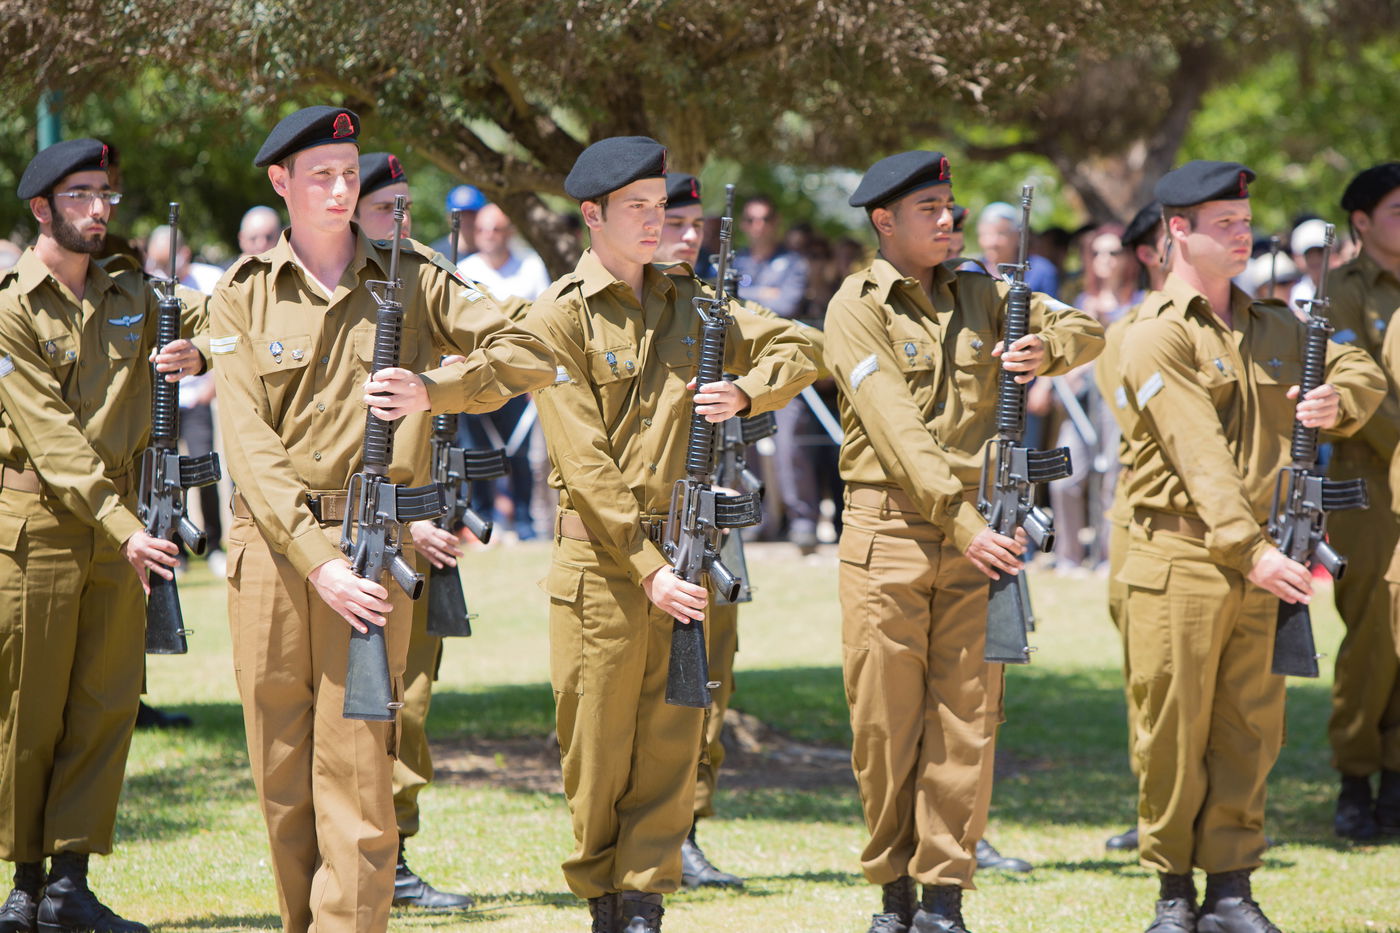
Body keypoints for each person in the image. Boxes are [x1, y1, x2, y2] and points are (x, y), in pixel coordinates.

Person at [210, 106, 554, 933]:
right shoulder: (240, 297)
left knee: (361, 772)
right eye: (321, 174)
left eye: (349, 173)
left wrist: (437, 390)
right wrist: (314, 559)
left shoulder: (416, 275)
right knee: (283, 775)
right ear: (280, 183)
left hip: (374, 546)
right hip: (276, 554)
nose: (339, 189)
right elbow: (249, 447)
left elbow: (533, 352)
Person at [526, 137, 816, 933]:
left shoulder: (697, 302)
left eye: (663, 207)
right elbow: (583, 459)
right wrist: (650, 568)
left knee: (670, 737)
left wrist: (746, 391)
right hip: (605, 563)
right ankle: (602, 899)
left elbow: (804, 347)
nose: (658, 224)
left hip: (686, 548)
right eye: (638, 209)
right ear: (592, 215)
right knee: (596, 749)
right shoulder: (556, 316)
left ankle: (645, 901)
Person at [825, 150, 1103, 933]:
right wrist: (966, 522)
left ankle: (943, 898)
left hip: (978, 535)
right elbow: (898, 429)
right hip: (893, 536)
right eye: (929, 209)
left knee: (967, 721)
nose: (948, 219)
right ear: (884, 220)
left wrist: (1048, 350)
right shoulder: (855, 306)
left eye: (951, 205)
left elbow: (1086, 327)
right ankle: (894, 893)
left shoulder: (987, 293)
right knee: (885, 725)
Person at [1116, 160, 1383, 933]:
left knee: (1252, 726)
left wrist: (1342, 400)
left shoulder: (1275, 325)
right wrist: (1254, 550)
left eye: (1244, 220)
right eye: (1225, 224)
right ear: (1178, 232)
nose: (1244, 233)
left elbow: (1358, 366)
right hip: (1186, 558)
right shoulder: (1153, 335)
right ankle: (1172, 890)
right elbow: (1199, 458)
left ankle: (1231, 886)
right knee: (1172, 729)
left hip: (1266, 556)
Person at [0, 137, 208, 933]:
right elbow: (50, 437)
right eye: (81, 196)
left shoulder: (136, 295)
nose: (98, 210)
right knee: (31, 709)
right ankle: (22, 882)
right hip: (39, 529)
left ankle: (68, 884)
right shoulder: (12, 306)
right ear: (42, 208)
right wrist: (126, 526)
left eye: (107, 196)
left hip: (123, 532)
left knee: (105, 704)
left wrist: (193, 348)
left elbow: (225, 318)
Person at [653, 170, 830, 890]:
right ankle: (633, 838)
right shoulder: (607, 312)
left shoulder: (716, 307)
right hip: (635, 526)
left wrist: (748, 390)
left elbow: (807, 347)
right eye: (673, 221)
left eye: (697, 223)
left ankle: (686, 829)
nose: (689, 235)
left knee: (706, 683)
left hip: (709, 523)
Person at [350, 149, 477, 908]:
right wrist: (412, 516)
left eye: (406, 207)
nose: (401, 221)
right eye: (384, 209)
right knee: (365, 702)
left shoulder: (428, 279)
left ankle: (393, 854)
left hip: (420, 512)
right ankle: (364, 856)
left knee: (411, 703)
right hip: (366, 524)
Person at [1091, 201, 1169, 854]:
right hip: (1148, 512)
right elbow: (1143, 426)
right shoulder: (1126, 334)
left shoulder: (1252, 325)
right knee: (1148, 676)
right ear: (1150, 253)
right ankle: (1155, 809)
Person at [1330, 162, 1400, 840]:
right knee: (1373, 632)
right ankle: (1356, 776)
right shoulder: (1341, 290)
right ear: (1361, 221)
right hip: (1371, 483)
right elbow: (1361, 391)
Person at [456, 202, 551, 541]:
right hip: (476, 375)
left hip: (518, 379)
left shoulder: (531, 266)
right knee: (477, 450)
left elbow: (541, 322)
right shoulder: (464, 268)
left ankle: (523, 522)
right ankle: (483, 522)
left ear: (508, 232)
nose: (488, 236)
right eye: (482, 229)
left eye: (496, 229)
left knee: (522, 453)